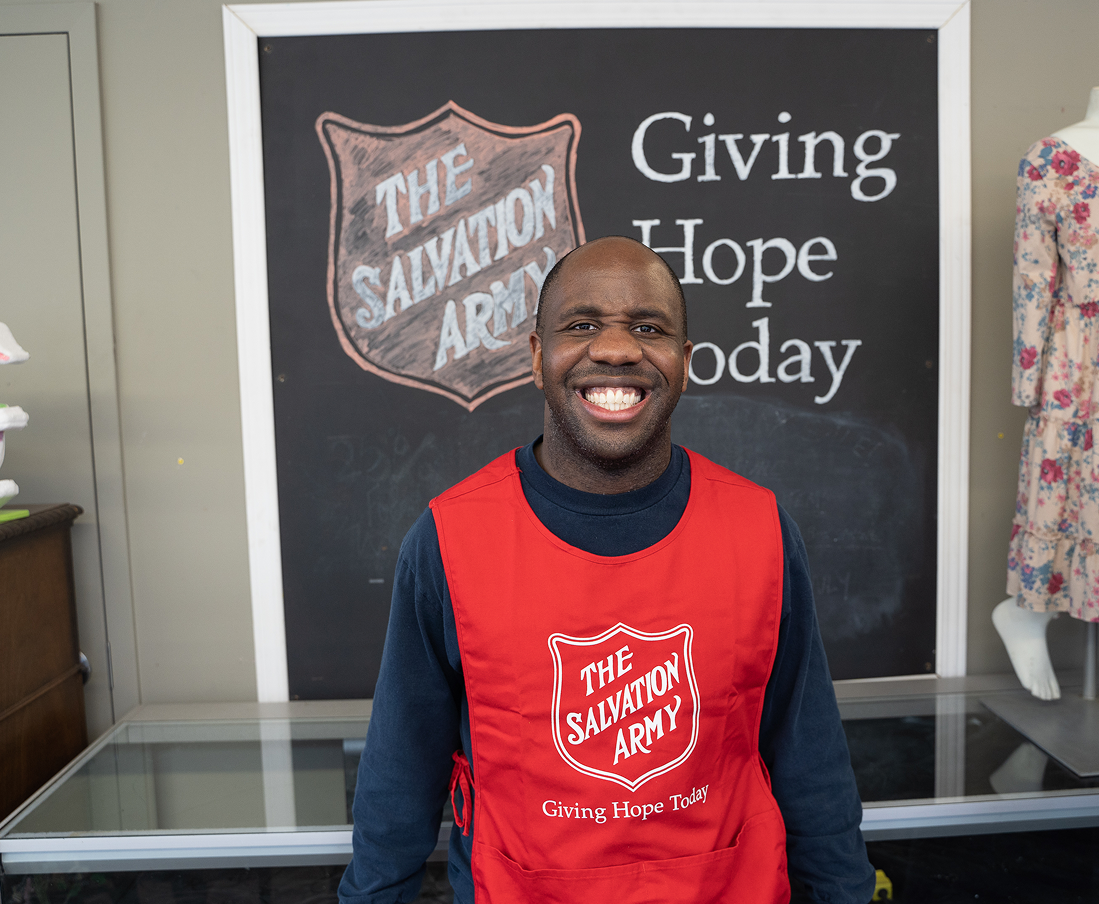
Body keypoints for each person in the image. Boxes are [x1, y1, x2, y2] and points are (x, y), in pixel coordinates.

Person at [339, 236, 874, 903]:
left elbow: (809, 755)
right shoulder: (449, 537)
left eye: (648, 328)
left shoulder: (758, 528)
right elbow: (401, 771)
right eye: (581, 325)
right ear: (538, 357)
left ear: (684, 364)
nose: (617, 349)